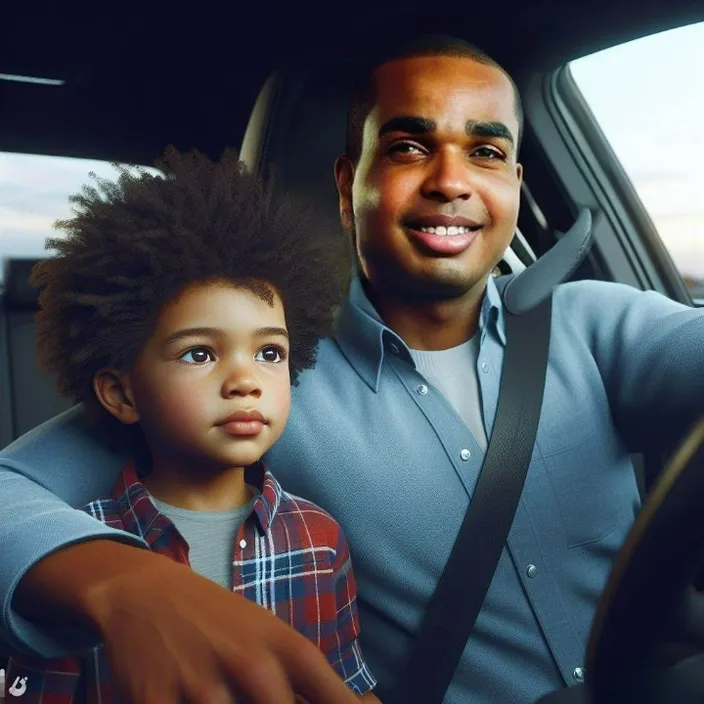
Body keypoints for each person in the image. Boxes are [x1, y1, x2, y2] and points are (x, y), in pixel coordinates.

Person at [1, 33, 703, 704]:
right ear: (348, 185)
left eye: (485, 151)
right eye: (407, 146)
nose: (451, 180)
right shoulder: (265, 374)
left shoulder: (603, 324)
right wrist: (124, 584)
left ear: (514, 186)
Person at [1, 149, 377, 702]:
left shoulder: (320, 539)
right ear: (122, 394)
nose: (245, 380)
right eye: (200, 354)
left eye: (270, 352)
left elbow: (346, 682)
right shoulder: (76, 557)